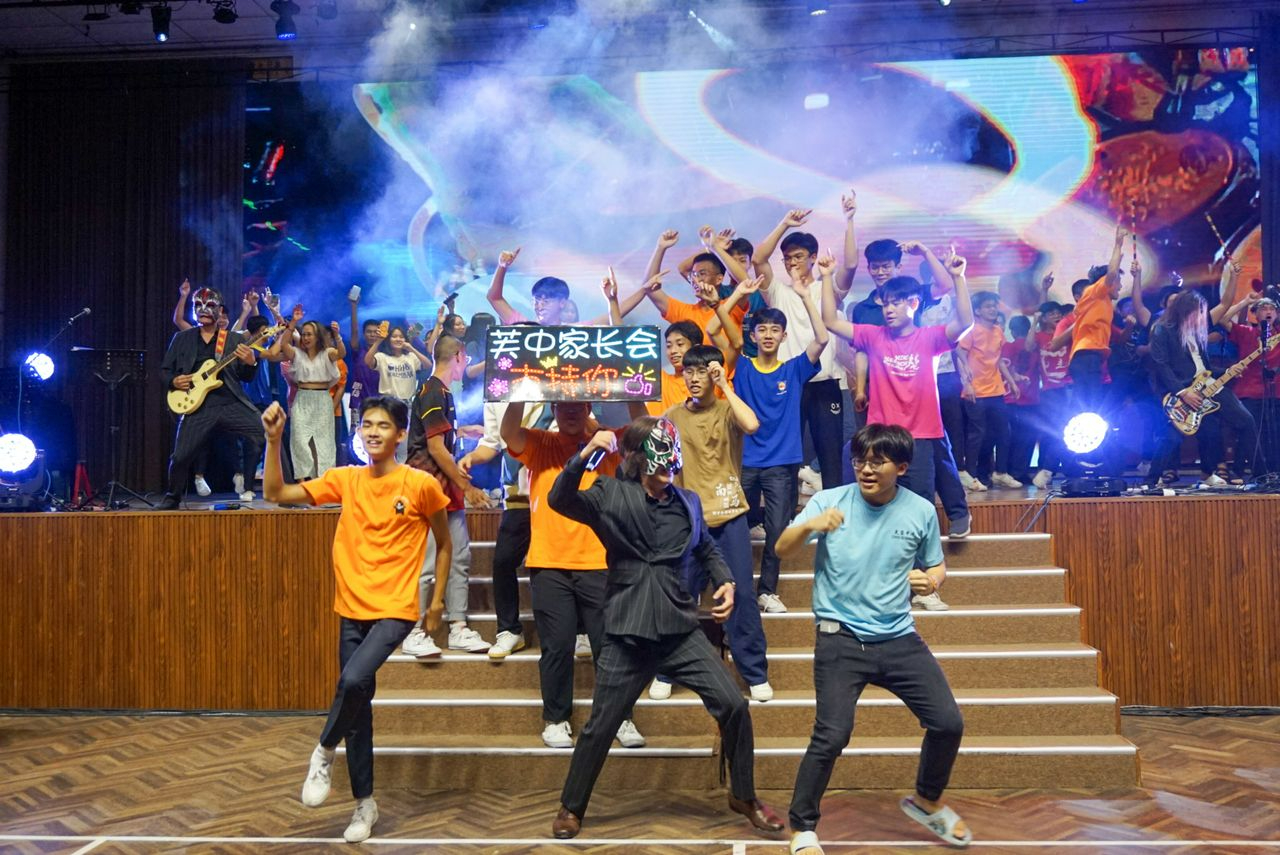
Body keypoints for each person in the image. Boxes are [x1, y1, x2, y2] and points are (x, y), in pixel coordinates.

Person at [546, 417, 784, 841]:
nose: (669, 465)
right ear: (639, 459)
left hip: (678, 627)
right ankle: (571, 805)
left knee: (733, 704)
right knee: (602, 724)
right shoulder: (610, 493)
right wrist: (587, 454)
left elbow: (706, 547)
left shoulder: (688, 502)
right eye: (660, 456)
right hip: (627, 629)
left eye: (672, 456)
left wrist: (725, 580)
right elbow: (559, 499)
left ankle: (743, 795)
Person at [262, 396, 453, 844]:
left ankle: (323, 750)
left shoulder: (421, 485)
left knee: (350, 682)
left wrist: (436, 603)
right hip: (351, 608)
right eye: (367, 424)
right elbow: (276, 494)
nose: (372, 432)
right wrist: (273, 441)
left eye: (383, 426)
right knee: (358, 707)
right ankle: (364, 804)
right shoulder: (346, 479)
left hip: (396, 608)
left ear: (400, 434)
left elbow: (445, 543)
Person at [778, 423, 971, 854]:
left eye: (877, 462)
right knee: (832, 735)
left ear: (901, 467)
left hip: (898, 637)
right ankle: (802, 828)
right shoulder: (829, 501)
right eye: (860, 461)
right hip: (840, 638)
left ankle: (927, 801)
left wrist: (932, 581)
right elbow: (782, 548)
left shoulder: (920, 510)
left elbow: (936, 565)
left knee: (948, 723)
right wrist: (812, 524)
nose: (866, 469)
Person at [501, 399, 645, 750]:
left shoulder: (609, 441)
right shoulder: (540, 442)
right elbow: (508, 432)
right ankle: (556, 719)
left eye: (577, 405)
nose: (570, 411)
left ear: (589, 407)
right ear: (552, 407)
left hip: (599, 561)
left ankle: (620, 717)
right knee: (556, 647)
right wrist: (520, 387)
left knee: (611, 647)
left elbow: (646, 431)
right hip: (549, 563)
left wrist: (629, 386)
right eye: (562, 405)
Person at [818, 255, 975, 550]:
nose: (888, 310)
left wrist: (959, 277)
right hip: (884, 435)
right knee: (881, 502)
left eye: (896, 303)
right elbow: (830, 321)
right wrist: (827, 276)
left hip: (922, 433)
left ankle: (926, 565)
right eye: (885, 304)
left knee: (920, 503)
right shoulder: (873, 336)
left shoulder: (930, 338)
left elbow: (966, 322)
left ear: (914, 304)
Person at [650, 344, 772, 702]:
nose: (693, 378)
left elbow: (752, 425)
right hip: (688, 520)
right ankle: (666, 670)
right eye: (689, 371)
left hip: (730, 515)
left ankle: (755, 673)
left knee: (742, 594)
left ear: (715, 373)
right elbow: (654, 460)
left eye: (702, 371)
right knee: (679, 595)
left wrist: (725, 386)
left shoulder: (727, 409)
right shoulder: (672, 416)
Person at [730, 256, 830, 614]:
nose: (769, 335)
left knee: (776, 529)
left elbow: (822, 337)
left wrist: (804, 297)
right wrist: (737, 294)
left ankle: (767, 591)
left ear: (784, 336)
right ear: (753, 335)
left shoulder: (794, 369)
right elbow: (717, 324)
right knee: (735, 528)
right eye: (763, 330)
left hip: (782, 465)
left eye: (775, 330)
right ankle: (738, 589)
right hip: (745, 462)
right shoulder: (742, 367)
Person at [401, 334, 494, 657]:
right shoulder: (432, 391)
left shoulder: (441, 392)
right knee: (427, 562)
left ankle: (458, 627)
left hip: (446, 490)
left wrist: (463, 431)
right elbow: (435, 448)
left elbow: (437, 436)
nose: (466, 364)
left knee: (459, 557)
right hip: (428, 488)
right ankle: (414, 631)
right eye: (466, 358)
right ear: (459, 355)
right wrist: (468, 487)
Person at [157, 287, 263, 510]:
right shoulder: (182, 338)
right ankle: (172, 497)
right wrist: (174, 381)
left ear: (220, 310)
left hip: (229, 402)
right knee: (180, 456)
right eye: (198, 305)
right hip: (198, 406)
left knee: (265, 431)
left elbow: (246, 377)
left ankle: (256, 486)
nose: (203, 309)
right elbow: (165, 370)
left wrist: (251, 362)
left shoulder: (233, 339)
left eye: (210, 305)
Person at [1147, 290, 1257, 486]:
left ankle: (1215, 473)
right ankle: (1151, 480)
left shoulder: (1196, 333)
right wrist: (1182, 392)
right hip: (1180, 391)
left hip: (1206, 387)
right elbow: (1161, 365)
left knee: (1232, 424)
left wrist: (1228, 371)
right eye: (1198, 312)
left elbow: (1204, 369)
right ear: (1186, 310)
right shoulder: (1162, 330)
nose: (1201, 316)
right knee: (1172, 437)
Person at [956, 292, 1022, 490]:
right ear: (977, 311)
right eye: (987, 306)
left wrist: (1011, 381)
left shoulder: (998, 331)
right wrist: (966, 383)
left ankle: (1000, 472)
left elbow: (999, 360)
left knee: (1003, 431)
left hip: (996, 389)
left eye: (994, 306)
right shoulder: (971, 330)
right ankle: (970, 475)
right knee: (977, 434)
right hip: (976, 390)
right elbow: (959, 354)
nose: (992, 309)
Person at [273, 306, 345, 480]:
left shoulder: (327, 353)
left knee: (324, 442)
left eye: (309, 334)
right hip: (302, 398)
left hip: (322, 398)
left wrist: (337, 336)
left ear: (317, 336)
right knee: (299, 440)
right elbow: (284, 344)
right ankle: (302, 482)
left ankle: (322, 481)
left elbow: (341, 353)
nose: (305, 338)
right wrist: (293, 323)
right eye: (304, 334)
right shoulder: (297, 354)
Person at [1223, 295, 1280, 476]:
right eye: (1263, 309)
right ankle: (1242, 471)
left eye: (1272, 309)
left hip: (1276, 391)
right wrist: (1245, 302)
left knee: (1275, 433)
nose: (1268, 312)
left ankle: (1274, 472)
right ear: (1255, 314)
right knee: (1248, 432)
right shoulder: (1246, 332)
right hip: (1249, 391)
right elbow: (1222, 320)